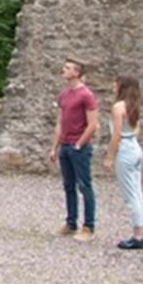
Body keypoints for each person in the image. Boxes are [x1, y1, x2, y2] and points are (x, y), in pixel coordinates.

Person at [47, 57, 97, 241]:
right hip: (65, 146)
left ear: (77, 72)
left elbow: (93, 124)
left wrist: (79, 143)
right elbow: (60, 122)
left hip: (79, 147)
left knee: (85, 186)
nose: (64, 70)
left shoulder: (86, 95)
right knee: (68, 186)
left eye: (68, 68)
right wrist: (54, 147)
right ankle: (71, 222)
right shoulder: (64, 95)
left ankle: (89, 226)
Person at [104, 75, 143, 250]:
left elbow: (116, 135)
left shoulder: (118, 107)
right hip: (135, 147)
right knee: (137, 192)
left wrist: (109, 156)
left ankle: (138, 236)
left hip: (125, 148)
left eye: (115, 84)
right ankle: (142, 231)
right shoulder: (134, 106)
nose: (113, 86)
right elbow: (137, 129)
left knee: (131, 194)